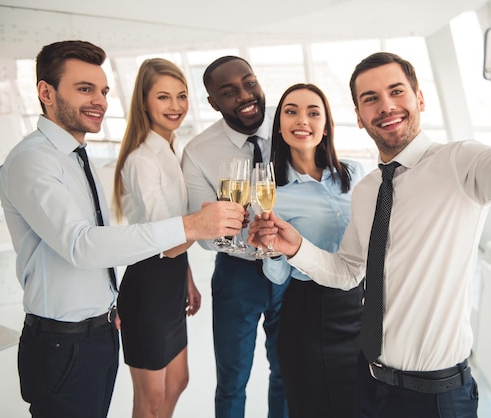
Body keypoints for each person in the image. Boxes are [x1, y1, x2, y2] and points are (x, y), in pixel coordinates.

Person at [249, 21, 491, 418]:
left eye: (396, 92)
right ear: (360, 118)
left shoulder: (459, 164)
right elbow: (347, 271)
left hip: (436, 397)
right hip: (368, 384)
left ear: (420, 98)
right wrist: (295, 247)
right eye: (370, 98)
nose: (386, 105)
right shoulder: (365, 191)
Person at [0, 40, 244, 418]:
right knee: (149, 401)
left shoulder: (77, 156)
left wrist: (111, 300)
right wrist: (193, 225)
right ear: (45, 93)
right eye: (84, 89)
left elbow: (103, 242)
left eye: (104, 91)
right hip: (63, 340)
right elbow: (81, 245)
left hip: (98, 329)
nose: (100, 100)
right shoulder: (32, 162)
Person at [181, 56, 288, 418]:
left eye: (249, 82)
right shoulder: (198, 152)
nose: (245, 95)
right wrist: (227, 228)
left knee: (287, 372)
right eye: (228, 92)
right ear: (213, 103)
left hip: (292, 268)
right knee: (232, 380)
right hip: (237, 274)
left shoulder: (288, 121)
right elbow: (204, 234)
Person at [262, 83, 366, 417]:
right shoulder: (270, 192)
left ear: (325, 126)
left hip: (361, 308)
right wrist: (273, 250)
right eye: (291, 111)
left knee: (362, 405)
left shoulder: (355, 174)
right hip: (308, 311)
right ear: (279, 125)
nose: (301, 120)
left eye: (313, 112)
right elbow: (277, 276)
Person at [112, 58, 200, 418]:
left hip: (172, 279)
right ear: (144, 102)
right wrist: (210, 225)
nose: (175, 106)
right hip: (147, 286)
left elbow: (176, 225)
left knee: (178, 381)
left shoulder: (174, 149)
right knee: (149, 400)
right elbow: (164, 239)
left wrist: (188, 278)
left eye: (181, 96)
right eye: (164, 97)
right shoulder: (141, 159)